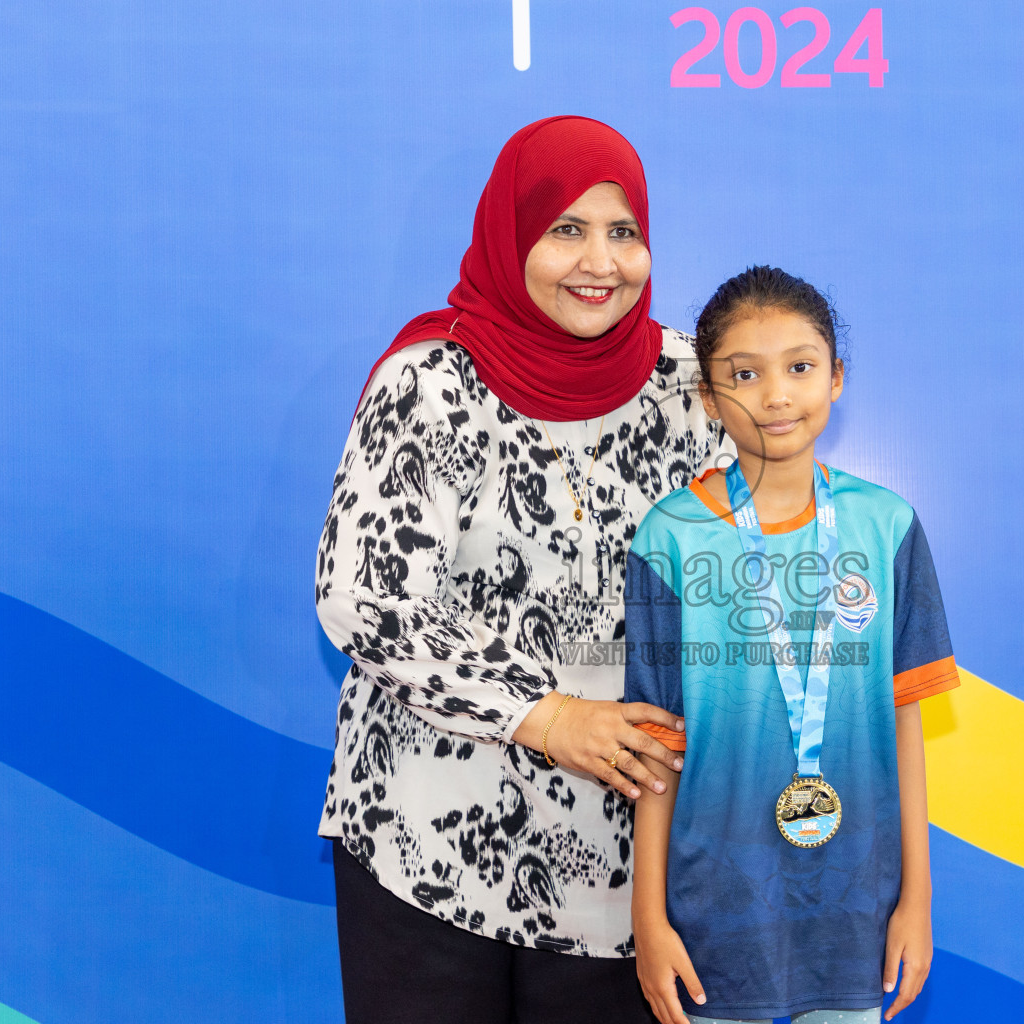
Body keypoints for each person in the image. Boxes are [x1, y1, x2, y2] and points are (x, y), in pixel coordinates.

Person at [314, 116, 728, 1024]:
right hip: (429, 851)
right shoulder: (431, 385)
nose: (600, 261)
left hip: (631, 868)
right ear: (511, 236)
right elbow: (366, 598)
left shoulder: (691, 387)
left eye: (623, 232)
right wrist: (546, 715)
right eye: (565, 230)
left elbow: (746, 580)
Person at [623, 266, 960, 1024]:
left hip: (855, 914)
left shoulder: (887, 528)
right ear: (708, 396)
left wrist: (916, 901)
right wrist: (648, 919)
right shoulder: (670, 538)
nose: (776, 395)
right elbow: (654, 743)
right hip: (714, 913)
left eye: (800, 367)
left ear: (836, 379)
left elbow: (907, 727)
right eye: (745, 374)